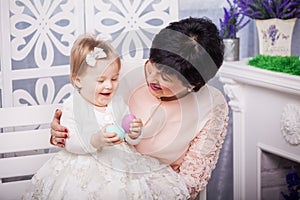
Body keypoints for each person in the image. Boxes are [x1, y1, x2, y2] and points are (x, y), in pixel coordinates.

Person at [50, 17, 229, 199]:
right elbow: (83, 106)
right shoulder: (117, 73)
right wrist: (64, 132)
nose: (152, 78)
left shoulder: (212, 104)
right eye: (152, 64)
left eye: (165, 78)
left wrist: (142, 190)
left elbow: (190, 183)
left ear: (192, 84)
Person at [23, 34, 190, 200]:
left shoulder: (116, 103)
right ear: (78, 80)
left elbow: (128, 135)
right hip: (84, 165)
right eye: (100, 80)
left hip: (120, 162)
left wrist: (134, 132)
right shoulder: (73, 105)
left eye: (114, 78)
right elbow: (70, 141)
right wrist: (95, 140)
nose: (109, 85)